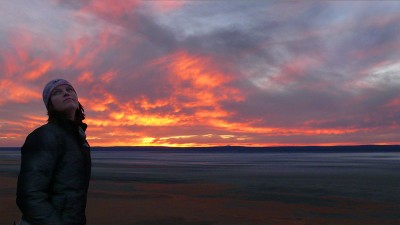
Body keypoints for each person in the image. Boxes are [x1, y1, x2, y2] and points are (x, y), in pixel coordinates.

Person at [16, 79, 91, 225]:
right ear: (50, 105)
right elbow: (30, 196)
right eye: (57, 92)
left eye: (69, 90)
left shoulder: (79, 139)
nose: (65, 93)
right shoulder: (44, 135)